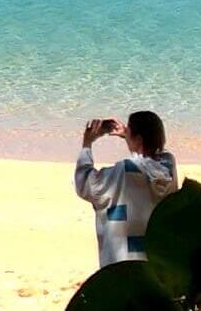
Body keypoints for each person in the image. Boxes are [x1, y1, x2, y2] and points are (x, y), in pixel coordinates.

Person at [74, 112, 180, 265]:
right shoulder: (168, 164)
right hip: (157, 257)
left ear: (138, 139)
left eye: (129, 131)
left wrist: (87, 145)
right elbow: (148, 161)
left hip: (126, 260)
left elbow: (84, 182)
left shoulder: (124, 171)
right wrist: (130, 136)